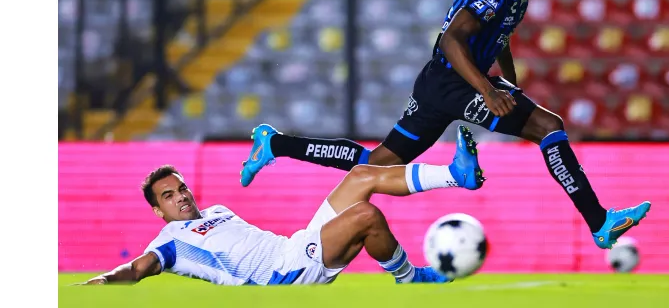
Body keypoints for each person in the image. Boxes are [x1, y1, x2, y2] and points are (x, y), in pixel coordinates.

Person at [241, 0, 651, 251]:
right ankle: (599, 222)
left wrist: (507, 77)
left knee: (376, 165)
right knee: (549, 126)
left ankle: (274, 143)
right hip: (455, 80)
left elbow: (499, 32)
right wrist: (488, 90)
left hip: (439, 83)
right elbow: (453, 38)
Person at [79, 126, 485, 286]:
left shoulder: (217, 212)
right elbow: (137, 269)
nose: (181, 196)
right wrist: (96, 285)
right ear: (158, 211)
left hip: (295, 246)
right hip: (285, 274)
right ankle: (409, 279)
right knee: (366, 215)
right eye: (168, 196)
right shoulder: (170, 240)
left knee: (362, 174)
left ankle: (456, 174)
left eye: (181, 188)